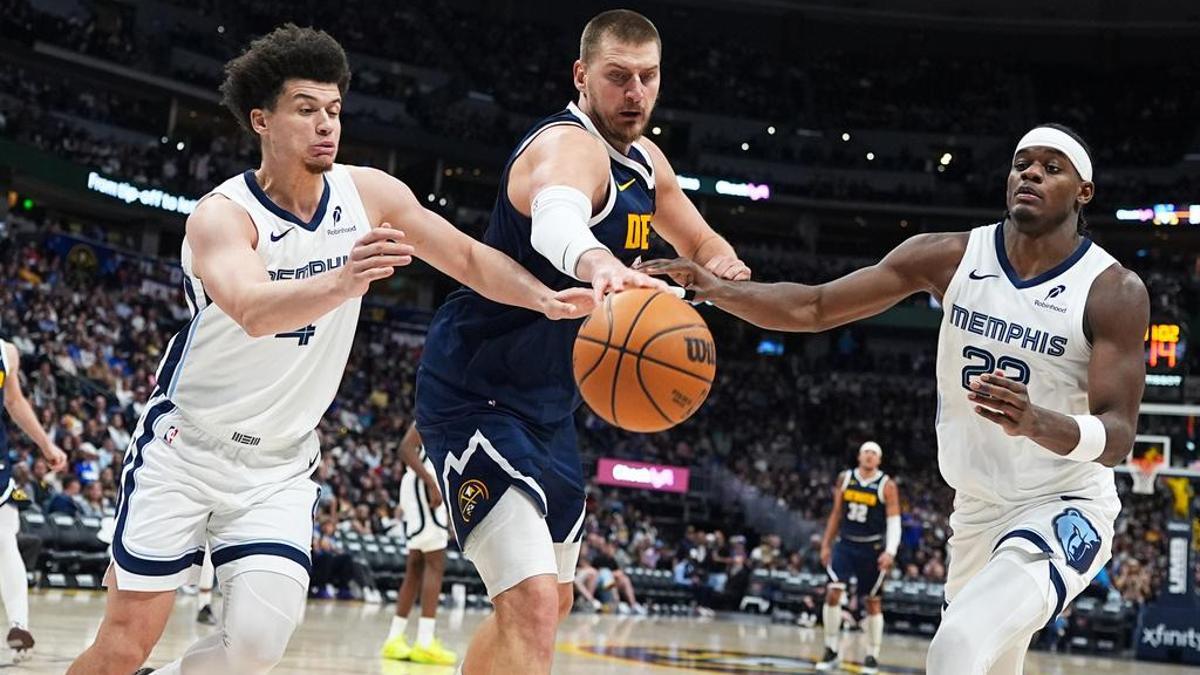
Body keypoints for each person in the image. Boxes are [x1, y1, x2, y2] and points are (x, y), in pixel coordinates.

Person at [66, 24, 593, 675]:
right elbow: (253, 309)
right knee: (123, 645)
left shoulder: (369, 194)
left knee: (254, 647)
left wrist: (543, 297)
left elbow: (466, 257)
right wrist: (344, 280)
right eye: (306, 109)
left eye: (334, 110)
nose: (326, 124)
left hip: (278, 465)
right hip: (187, 447)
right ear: (261, 120)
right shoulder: (222, 215)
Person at [643, 123, 1148, 675]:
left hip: (1064, 504)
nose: (1030, 174)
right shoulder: (949, 257)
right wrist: (715, 289)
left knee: (956, 647)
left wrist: (1035, 421)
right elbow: (815, 306)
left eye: (1051, 168)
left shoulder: (1112, 290)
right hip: (977, 510)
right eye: (1022, 163)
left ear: (1083, 192)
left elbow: (1118, 437)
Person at [415, 9, 748, 675]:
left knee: (553, 600)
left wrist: (731, 278)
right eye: (618, 76)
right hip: (477, 390)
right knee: (533, 601)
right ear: (581, 76)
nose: (635, 92)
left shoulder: (646, 162)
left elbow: (701, 241)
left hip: (550, 408)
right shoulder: (568, 147)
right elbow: (555, 221)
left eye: (648, 77)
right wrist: (599, 264)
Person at [0, 338, 68, 654]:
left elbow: (14, 402)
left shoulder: (6, 352)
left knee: (5, 537)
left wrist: (46, 444)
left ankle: (20, 626)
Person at [815, 441, 901, 674]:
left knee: (872, 601)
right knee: (833, 591)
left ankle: (872, 655)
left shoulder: (887, 485)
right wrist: (826, 544)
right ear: (859, 456)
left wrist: (890, 551)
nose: (869, 456)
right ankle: (831, 649)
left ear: (879, 459)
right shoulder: (845, 478)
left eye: (873, 453)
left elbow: (894, 521)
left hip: (872, 547)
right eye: (866, 452)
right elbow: (836, 514)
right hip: (845, 544)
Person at [380, 423, 456, 666]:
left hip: (419, 486)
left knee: (415, 565)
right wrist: (432, 484)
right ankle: (424, 641)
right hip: (424, 486)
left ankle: (394, 638)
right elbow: (405, 448)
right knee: (435, 563)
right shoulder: (437, 406)